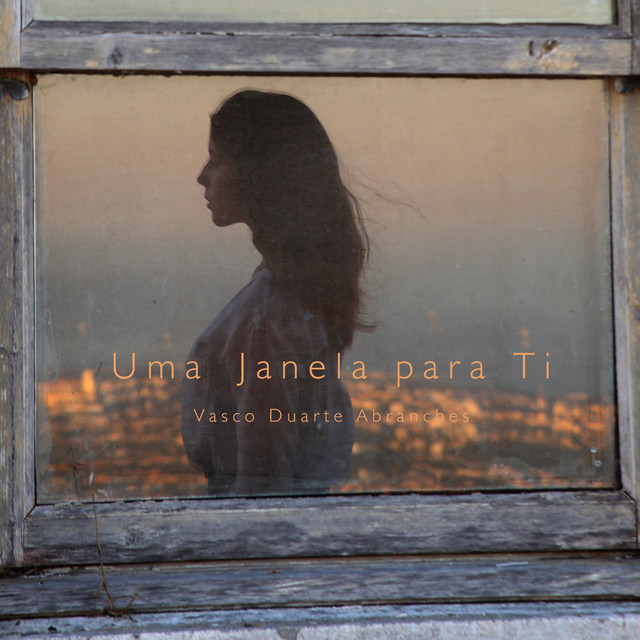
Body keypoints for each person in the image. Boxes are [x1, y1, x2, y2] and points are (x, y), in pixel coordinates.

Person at [181, 90, 368, 496]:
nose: (202, 176)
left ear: (258, 172)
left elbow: (263, 490)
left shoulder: (268, 314)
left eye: (216, 159)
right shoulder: (292, 298)